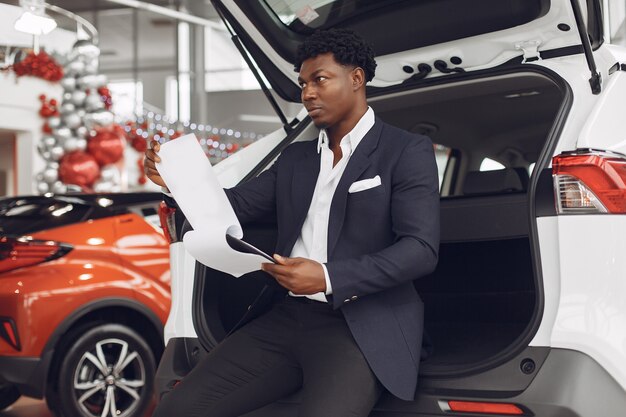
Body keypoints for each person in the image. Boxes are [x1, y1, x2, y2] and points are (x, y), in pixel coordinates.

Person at [145, 28, 440, 417]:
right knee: (177, 409)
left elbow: (420, 251)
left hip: (361, 326)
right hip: (287, 318)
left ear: (356, 79)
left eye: (319, 80)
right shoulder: (295, 160)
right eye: (303, 83)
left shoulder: (405, 150)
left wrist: (328, 276)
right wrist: (176, 183)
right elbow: (230, 207)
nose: (307, 93)